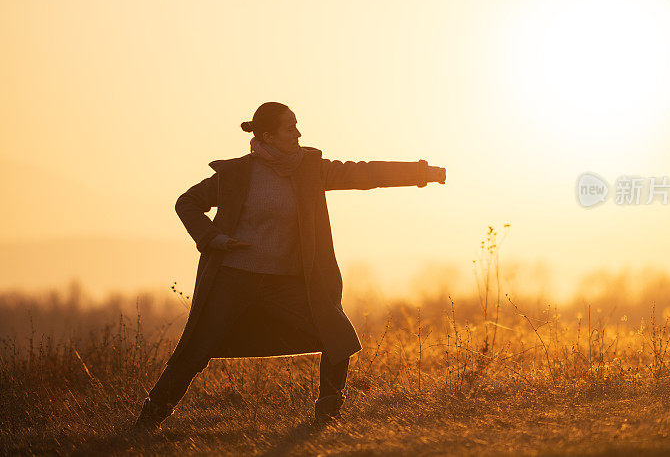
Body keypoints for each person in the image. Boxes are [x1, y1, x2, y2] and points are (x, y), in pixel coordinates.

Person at [134, 102, 446, 430]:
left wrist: (421, 173)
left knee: (336, 336)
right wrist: (214, 239)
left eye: (297, 125)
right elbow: (187, 203)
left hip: (284, 284)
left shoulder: (309, 170)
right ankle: (148, 420)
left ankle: (327, 418)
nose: (298, 133)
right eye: (290, 127)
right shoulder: (235, 174)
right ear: (267, 136)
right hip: (233, 278)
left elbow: (362, 172)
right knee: (195, 351)